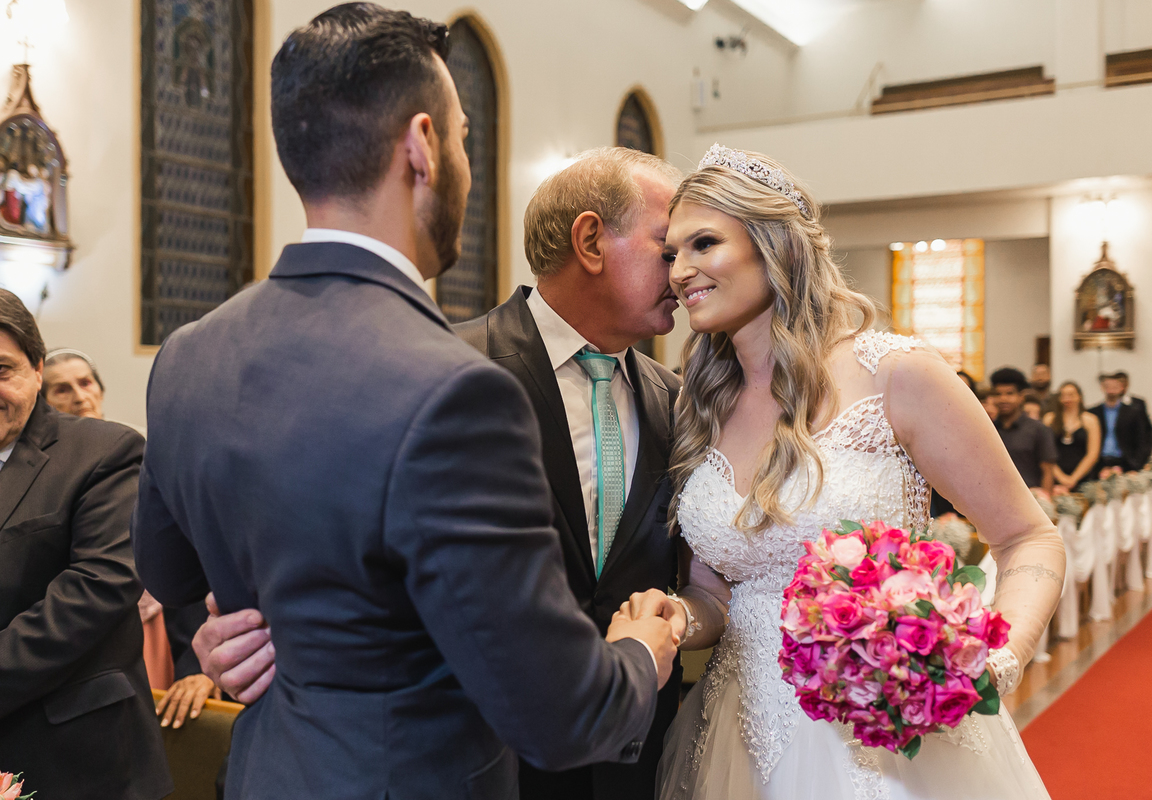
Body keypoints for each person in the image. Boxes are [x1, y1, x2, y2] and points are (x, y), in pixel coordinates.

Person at [130, 6, 675, 800]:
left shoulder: (189, 354)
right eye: (461, 139)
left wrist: (257, 632)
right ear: (421, 147)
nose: (463, 161)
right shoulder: (456, 389)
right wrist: (640, 652)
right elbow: (562, 714)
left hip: (267, 771)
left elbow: (168, 567)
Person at [647, 145, 1061, 799]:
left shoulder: (896, 373)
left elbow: (1028, 537)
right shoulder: (700, 402)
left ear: (775, 244)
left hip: (883, 738)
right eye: (671, 253)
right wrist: (672, 617)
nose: (680, 271)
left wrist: (994, 664)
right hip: (738, 739)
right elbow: (715, 600)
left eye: (703, 243)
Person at [456, 147, 683, 800]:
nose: (687, 271)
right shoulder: (452, 369)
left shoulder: (676, 401)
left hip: (633, 756)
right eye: (668, 248)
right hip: (492, 751)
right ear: (591, 241)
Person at [0, 290, 171, 799]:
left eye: (2, 370)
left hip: (75, 757)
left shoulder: (106, 452)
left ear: (35, 367)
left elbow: (95, 589)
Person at [42, 347, 214, 726]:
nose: (79, 396)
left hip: (159, 631)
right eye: (61, 389)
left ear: (100, 390)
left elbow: (189, 557)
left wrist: (198, 665)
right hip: (83, 644)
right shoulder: (40, 479)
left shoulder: (142, 454)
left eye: (85, 383)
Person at [990, 367, 1056, 493]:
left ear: (1021, 397)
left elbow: (1047, 471)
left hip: (1030, 499)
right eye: (998, 394)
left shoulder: (1038, 429)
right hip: (994, 498)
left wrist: (1045, 503)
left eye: (1009, 394)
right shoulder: (988, 430)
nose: (1003, 399)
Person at [1089, 371, 1152, 473]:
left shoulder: (1133, 411)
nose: (1111, 390)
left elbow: (1144, 438)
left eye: (1115, 387)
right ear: (1102, 387)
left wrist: (1138, 463)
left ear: (1122, 388)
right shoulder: (1093, 413)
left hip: (1127, 462)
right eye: (1107, 386)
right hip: (1099, 463)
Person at [1043, 381, 1100, 490]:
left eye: (1071, 395)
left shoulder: (1090, 420)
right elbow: (1045, 451)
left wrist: (1074, 478)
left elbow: (1093, 453)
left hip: (1083, 478)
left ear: (1079, 397)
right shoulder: (1049, 419)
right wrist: (1061, 478)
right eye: (1063, 395)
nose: (1067, 399)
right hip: (1055, 476)